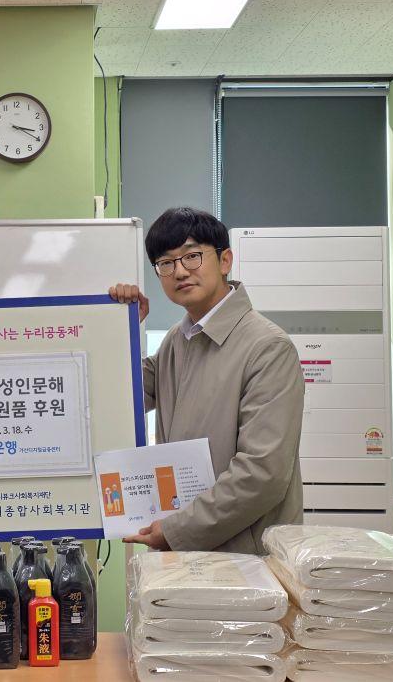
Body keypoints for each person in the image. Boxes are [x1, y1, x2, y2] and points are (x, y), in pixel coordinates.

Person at [109, 206, 303, 555]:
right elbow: (122, 397)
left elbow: (262, 474)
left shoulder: (267, 346)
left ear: (225, 260)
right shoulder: (177, 340)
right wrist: (119, 324)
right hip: (183, 553)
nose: (180, 271)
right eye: (166, 263)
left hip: (245, 563)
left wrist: (175, 530)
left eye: (192, 256)